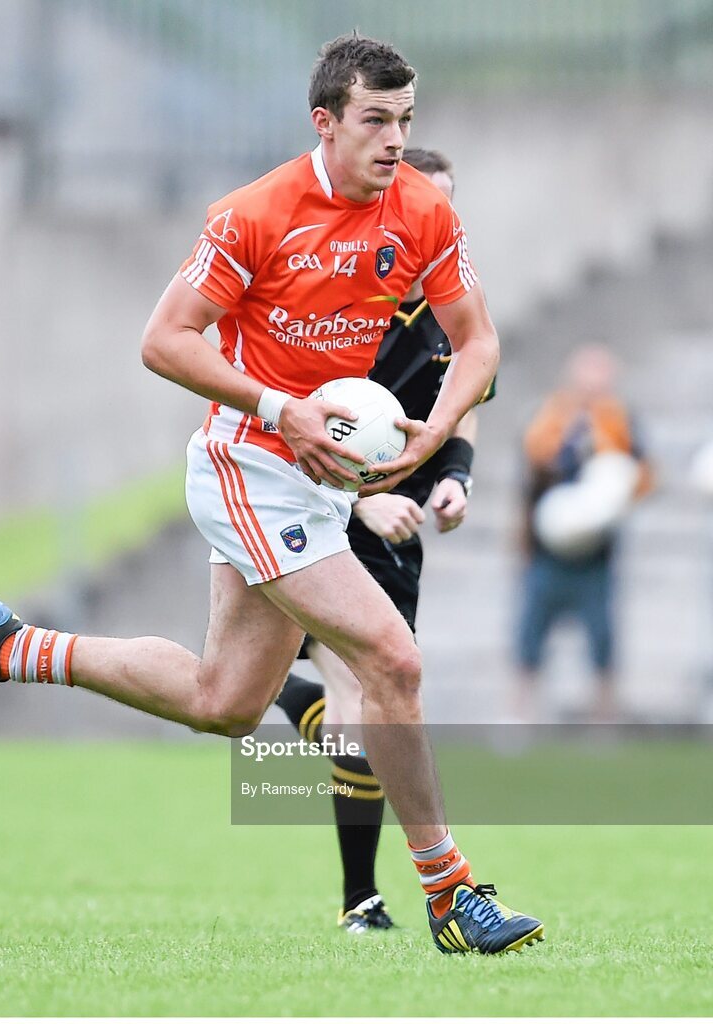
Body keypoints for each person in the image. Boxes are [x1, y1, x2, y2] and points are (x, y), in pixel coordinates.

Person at [0, 33, 542, 954]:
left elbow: (477, 340)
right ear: (324, 122)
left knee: (227, 702)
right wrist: (281, 409)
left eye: (406, 121)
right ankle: (450, 895)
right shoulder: (255, 214)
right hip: (250, 466)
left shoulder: (421, 211)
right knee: (393, 662)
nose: (395, 140)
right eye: (376, 120)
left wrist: (436, 434)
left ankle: (11, 645)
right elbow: (165, 339)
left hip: (320, 480)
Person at [274, 148, 495, 933]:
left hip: (396, 529)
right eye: (424, 205)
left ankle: (361, 898)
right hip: (315, 510)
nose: (438, 223)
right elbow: (286, 420)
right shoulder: (333, 299)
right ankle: (363, 900)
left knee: (357, 705)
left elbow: (466, 400)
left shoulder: (451, 307)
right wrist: (357, 503)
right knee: (359, 701)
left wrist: (456, 475)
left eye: (449, 207)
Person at [513, 344, 654, 722]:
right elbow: (531, 475)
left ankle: (603, 717)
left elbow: (642, 474)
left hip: (597, 552)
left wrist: (616, 484)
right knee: (530, 633)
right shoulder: (548, 417)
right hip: (548, 550)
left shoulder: (620, 422)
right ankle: (521, 716)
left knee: (602, 636)